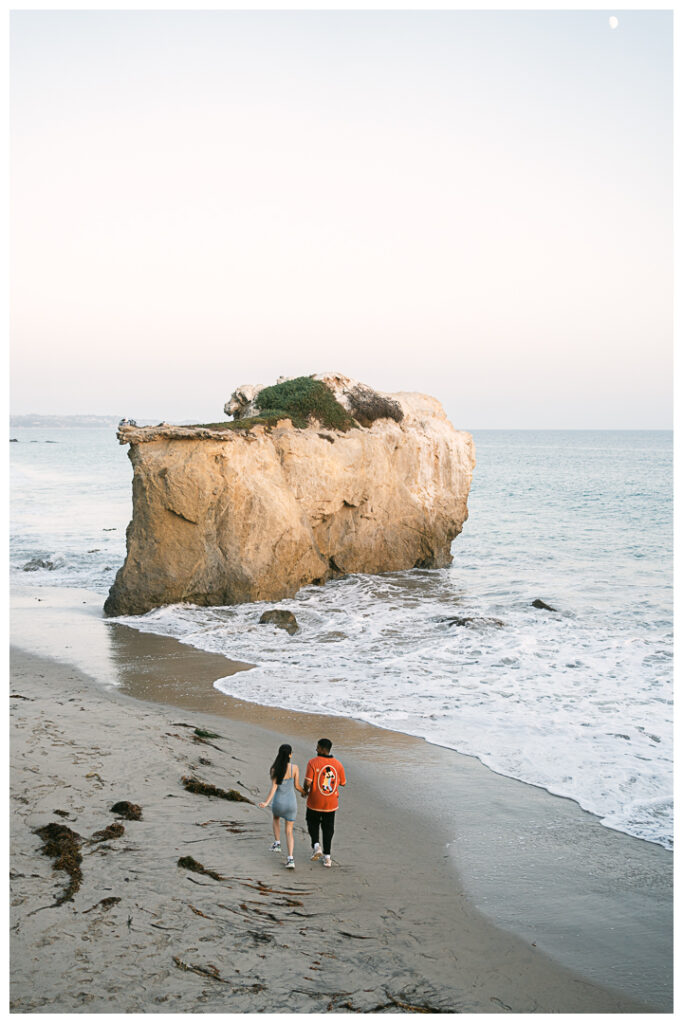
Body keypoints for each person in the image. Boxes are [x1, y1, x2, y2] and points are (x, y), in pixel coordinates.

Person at [258, 743, 304, 868]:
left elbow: (274, 787)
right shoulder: (294, 768)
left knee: (276, 818)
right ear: (290, 754)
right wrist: (305, 792)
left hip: (278, 802)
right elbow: (297, 786)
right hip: (291, 803)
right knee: (289, 831)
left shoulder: (275, 769)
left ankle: (277, 844)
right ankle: (290, 859)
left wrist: (266, 802)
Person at [302, 738, 346, 868]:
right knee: (328, 829)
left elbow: (308, 782)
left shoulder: (312, 762)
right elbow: (343, 783)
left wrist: (305, 790)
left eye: (317, 747)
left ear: (322, 749)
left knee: (312, 822)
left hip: (315, 800)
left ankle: (316, 846)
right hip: (331, 802)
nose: (316, 749)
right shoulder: (338, 764)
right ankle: (327, 858)